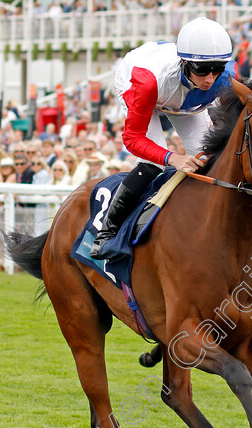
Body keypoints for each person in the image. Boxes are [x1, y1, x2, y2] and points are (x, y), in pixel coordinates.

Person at [89, 17, 236, 259]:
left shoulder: (227, 76)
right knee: (154, 162)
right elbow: (132, 139)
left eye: (217, 68)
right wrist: (173, 158)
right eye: (202, 69)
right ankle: (107, 233)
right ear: (185, 63)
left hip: (184, 98)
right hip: (142, 84)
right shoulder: (147, 82)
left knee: (210, 160)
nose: (210, 78)